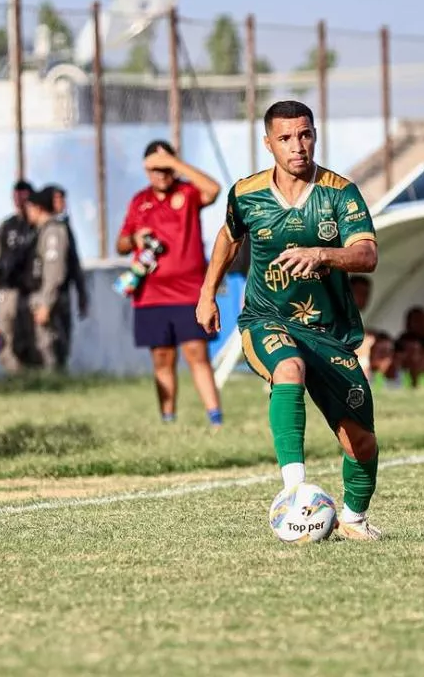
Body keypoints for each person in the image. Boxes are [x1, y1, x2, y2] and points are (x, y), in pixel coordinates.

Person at [196, 99, 382, 540]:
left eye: (305, 135)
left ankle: (353, 518)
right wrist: (207, 294)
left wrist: (322, 253)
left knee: (362, 442)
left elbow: (367, 254)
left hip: (329, 333)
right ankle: (295, 493)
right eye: (285, 138)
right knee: (288, 368)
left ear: (314, 135)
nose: (297, 146)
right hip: (267, 318)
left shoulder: (340, 193)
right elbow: (228, 235)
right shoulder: (246, 193)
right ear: (268, 143)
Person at [117, 141, 223, 426]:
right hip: (151, 295)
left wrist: (176, 163)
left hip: (189, 292)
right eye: (156, 168)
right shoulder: (139, 201)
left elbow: (214, 190)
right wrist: (136, 239)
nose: (162, 174)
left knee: (196, 353)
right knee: (162, 358)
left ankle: (216, 420)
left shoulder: (188, 192)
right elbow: (121, 243)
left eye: (167, 168)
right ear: (147, 170)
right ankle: (168, 420)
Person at [0, 180, 39, 372]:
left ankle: (35, 378)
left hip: (33, 293)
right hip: (8, 293)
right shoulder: (7, 227)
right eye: (17, 197)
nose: (20, 202)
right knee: (6, 339)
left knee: (33, 339)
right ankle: (15, 378)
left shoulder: (41, 227)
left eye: (24, 197)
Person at [25, 187, 71, 371]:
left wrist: (46, 303)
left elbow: (54, 271)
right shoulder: (40, 231)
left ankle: (55, 385)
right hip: (40, 295)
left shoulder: (53, 232)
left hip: (49, 298)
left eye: (30, 207)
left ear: (39, 208)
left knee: (50, 346)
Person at [49, 184, 89, 322]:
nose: (61, 203)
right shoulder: (40, 229)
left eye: (62, 199)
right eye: (57, 199)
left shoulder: (64, 229)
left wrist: (81, 294)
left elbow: (73, 262)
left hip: (62, 293)